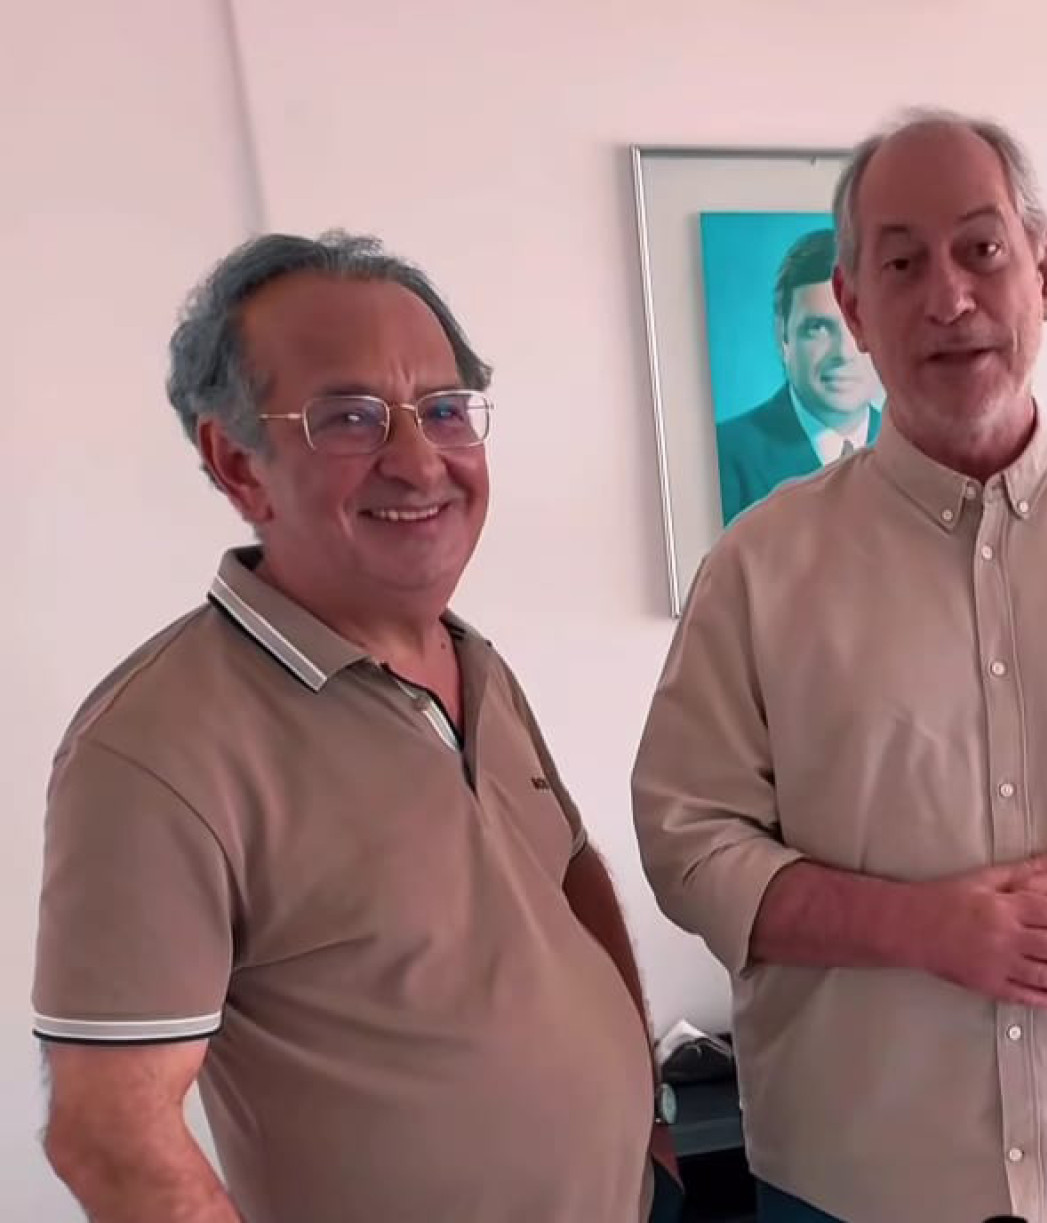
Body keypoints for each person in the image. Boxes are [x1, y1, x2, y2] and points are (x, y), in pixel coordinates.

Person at [632, 109, 1047, 1223]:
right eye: (901, 263)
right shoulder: (759, 568)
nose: (948, 296)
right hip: (847, 1185)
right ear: (853, 305)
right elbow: (689, 840)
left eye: (982, 249)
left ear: (1046, 269)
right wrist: (917, 926)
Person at [32, 231, 677, 1223]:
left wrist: (647, 1121)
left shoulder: (474, 662)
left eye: (444, 410)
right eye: (349, 417)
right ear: (238, 464)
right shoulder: (154, 748)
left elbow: (568, 873)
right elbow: (109, 1136)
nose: (417, 461)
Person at [716, 227, 883, 522]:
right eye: (819, 328)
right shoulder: (726, 456)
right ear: (782, 335)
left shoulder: (920, 454)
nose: (844, 352)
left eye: (860, 322)